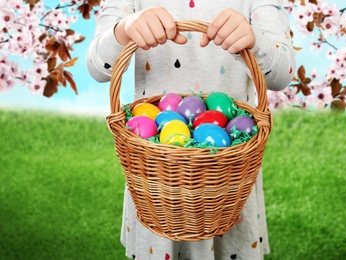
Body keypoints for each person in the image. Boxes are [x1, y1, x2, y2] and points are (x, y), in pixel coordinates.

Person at [87, 0, 295, 259]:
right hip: (157, 180)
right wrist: (124, 29)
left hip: (226, 180)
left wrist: (254, 40)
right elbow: (97, 68)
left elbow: (282, 75)